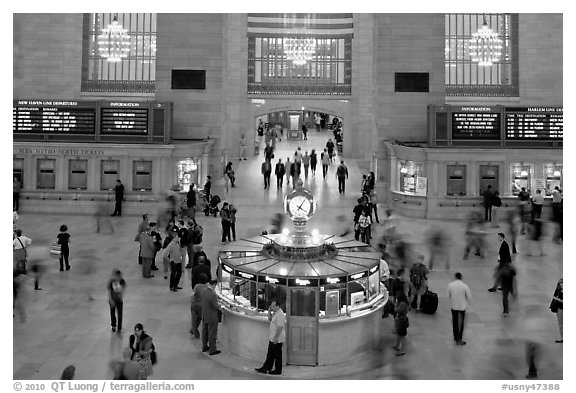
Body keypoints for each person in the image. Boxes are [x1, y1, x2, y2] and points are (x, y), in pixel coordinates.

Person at [255, 300, 286, 375]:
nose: (272, 307)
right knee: (270, 354)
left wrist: (276, 338)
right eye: (271, 306)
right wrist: (269, 311)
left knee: (277, 355)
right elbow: (270, 319)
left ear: (278, 306)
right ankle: (266, 368)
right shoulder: (275, 313)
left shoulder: (280, 314)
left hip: (277, 339)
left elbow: (280, 327)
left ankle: (278, 370)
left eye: (273, 306)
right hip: (273, 337)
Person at [448, 272, 471, 345]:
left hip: (454, 306)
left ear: (455, 277)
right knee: (460, 323)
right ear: (461, 277)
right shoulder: (465, 286)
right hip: (462, 307)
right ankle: (459, 338)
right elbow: (469, 296)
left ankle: (455, 337)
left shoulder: (450, 285)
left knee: (455, 322)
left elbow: (448, 295)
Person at [201, 280, 221, 355]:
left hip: (204, 315)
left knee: (204, 332)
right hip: (212, 316)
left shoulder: (204, 291)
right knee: (212, 333)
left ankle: (204, 346)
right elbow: (215, 306)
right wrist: (220, 306)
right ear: (214, 285)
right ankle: (212, 349)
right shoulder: (213, 294)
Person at [190, 273, 208, 338]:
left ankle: (195, 333)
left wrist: (192, 301)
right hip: (203, 305)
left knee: (194, 320)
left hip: (195, 305)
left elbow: (193, 295)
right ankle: (193, 330)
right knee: (200, 318)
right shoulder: (207, 286)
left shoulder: (197, 286)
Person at [108, 269, 126, 333]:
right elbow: (109, 291)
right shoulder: (111, 282)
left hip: (119, 300)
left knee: (120, 314)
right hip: (113, 300)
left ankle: (119, 328)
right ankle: (113, 325)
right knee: (112, 313)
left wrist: (121, 296)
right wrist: (111, 300)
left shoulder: (122, 281)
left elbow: (123, 289)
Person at [393, 291, 409, 356]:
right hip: (403, 320)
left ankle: (402, 350)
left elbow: (396, 310)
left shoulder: (402, 304)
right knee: (399, 334)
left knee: (402, 336)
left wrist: (396, 304)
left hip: (401, 321)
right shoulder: (405, 303)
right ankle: (397, 345)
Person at [550, 278, 563, 343]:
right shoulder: (558, 288)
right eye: (561, 284)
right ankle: (562, 337)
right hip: (560, 308)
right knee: (561, 324)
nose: (562, 285)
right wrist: (558, 300)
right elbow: (554, 296)